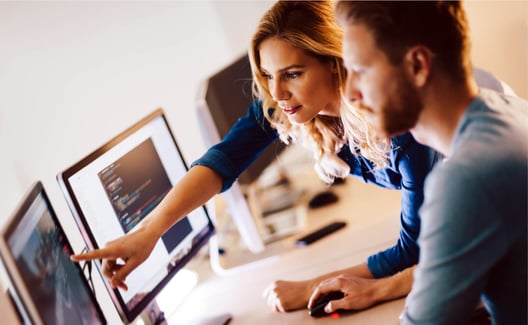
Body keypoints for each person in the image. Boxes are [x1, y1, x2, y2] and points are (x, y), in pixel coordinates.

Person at [71, 0, 510, 316]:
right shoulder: (297, 104)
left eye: (293, 74)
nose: (277, 94)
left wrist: (312, 289)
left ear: (334, 62)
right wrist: (149, 232)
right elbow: (222, 160)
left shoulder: (401, 115)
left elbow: (416, 249)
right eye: (266, 76)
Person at [312, 1, 528, 323]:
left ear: (417, 66)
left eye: (360, 71)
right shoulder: (509, 109)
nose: (351, 93)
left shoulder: (467, 177)